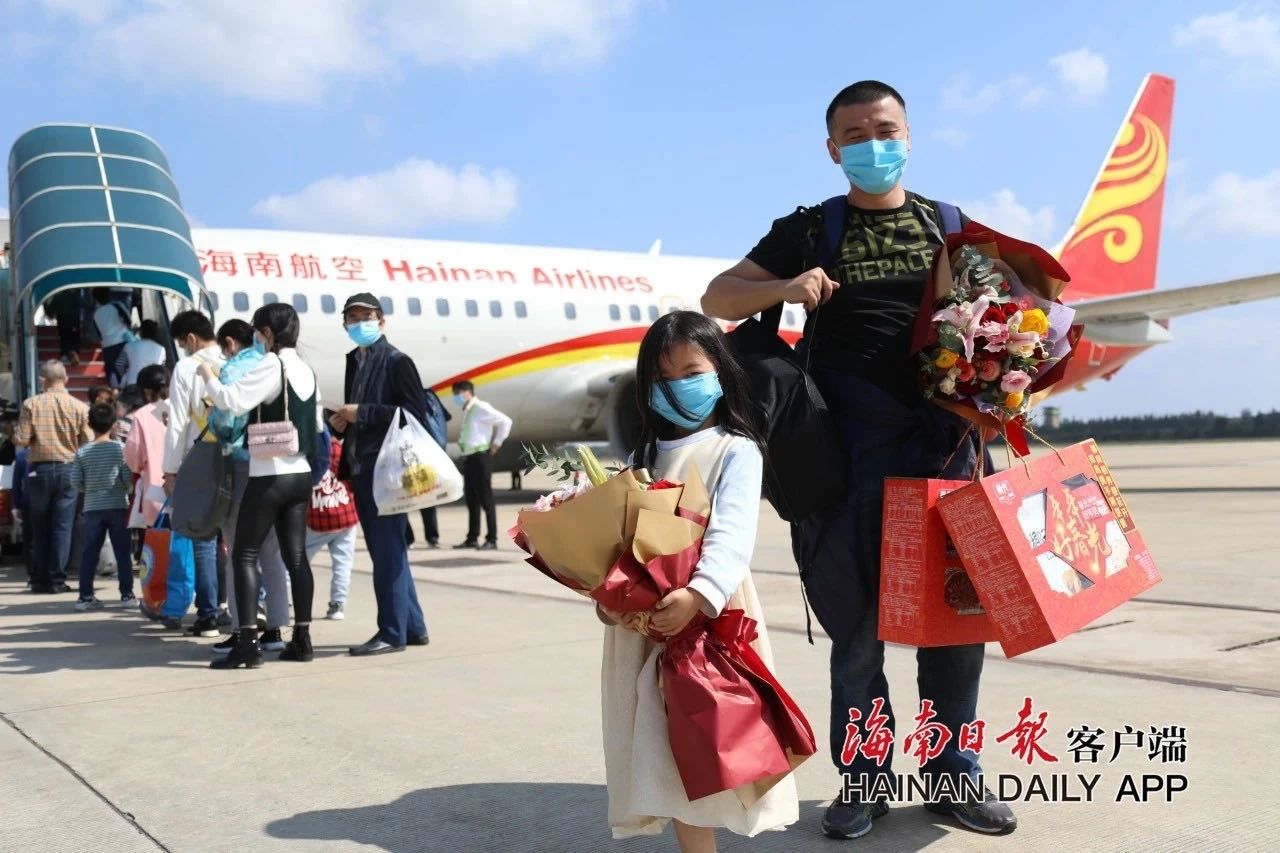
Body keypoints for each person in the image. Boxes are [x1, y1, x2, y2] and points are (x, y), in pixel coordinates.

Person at [701, 80, 1012, 840]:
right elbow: (717, 298)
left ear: (908, 135)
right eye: (857, 135)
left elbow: (1003, 315)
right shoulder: (810, 228)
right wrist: (786, 285)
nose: (875, 144)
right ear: (833, 149)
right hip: (848, 458)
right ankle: (865, 780)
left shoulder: (950, 227)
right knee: (859, 629)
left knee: (955, 626)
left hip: (944, 450)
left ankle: (953, 774)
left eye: (886, 130)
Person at [600, 311, 796, 851]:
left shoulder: (736, 448)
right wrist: (607, 595)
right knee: (661, 748)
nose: (678, 387)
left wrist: (699, 594)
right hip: (644, 625)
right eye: (662, 379)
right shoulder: (641, 456)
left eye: (691, 373)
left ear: (721, 373)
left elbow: (732, 535)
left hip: (709, 620)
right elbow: (620, 539)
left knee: (708, 739)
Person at [197, 303, 323, 669]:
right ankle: (302, 640)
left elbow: (232, 401)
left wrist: (207, 375)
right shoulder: (305, 368)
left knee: (244, 554)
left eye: (257, 331)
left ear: (267, 332)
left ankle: (248, 645)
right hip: (300, 473)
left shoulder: (272, 364)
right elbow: (315, 424)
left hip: (270, 474)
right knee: (295, 558)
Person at [330, 292, 429, 656]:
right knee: (390, 551)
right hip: (363, 466)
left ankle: (391, 632)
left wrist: (364, 413)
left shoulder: (397, 361)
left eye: (366, 317)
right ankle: (412, 627)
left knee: (387, 553)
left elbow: (414, 414)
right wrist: (342, 422)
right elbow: (360, 414)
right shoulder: (355, 360)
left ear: (382, 321)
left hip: (387, 470)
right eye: (352, 318)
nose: (359, 324)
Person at [204, 318, 290, 657]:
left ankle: (243, 629)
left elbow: (226, 422)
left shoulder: (234, 369)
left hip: (240, 466)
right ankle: (276, 629)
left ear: (229, 343)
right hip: (272, 464)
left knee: (238, 552)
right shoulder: (273, 363)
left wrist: (211, 408)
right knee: (271, 552)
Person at [161, 311, 225, 637]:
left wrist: (170, 470)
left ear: (190, 339)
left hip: (199, 461)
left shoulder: (186, 367)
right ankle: (238, 608)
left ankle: (208, 614)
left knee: (203, 539)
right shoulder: (233, 361)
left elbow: (177, 423)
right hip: (235, 460)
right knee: (234, 539)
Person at [15, 360, 91, 593]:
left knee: (39, 528)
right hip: (68, 470)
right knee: (62, 527)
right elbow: (87, 440)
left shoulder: (30, 404)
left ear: (42, 380)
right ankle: (57, 580)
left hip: (39, 471)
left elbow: (22, 439)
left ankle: (39, 579)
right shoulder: (80, 406)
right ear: (65, 379)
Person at [72, 403, 136, 610]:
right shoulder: (120, 449)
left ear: (89, 424)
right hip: (118, 505)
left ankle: (85, 596)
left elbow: (75, 482)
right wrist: (123, 488)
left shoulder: (82, 451)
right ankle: (127, 595)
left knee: (90, 553)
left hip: (92, 507)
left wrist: (89, 489)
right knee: (123, 552)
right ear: (114, 424)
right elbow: (127, 477)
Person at [450, 380, 511, 551]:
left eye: (457, 394)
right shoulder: (468, 410)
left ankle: (492, 539)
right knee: (472, 500)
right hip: (469, 458)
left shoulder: (481, 407)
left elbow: (506, 421)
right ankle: (472, 537)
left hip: (480, 457)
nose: (455, 398)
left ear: (466, 392)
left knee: (486, 500)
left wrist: (496, 444)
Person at [307, 435, 358, 620]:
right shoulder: (340, 448)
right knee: (343, 563)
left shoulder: (309, 447)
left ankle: (279, 597)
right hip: (345, 514)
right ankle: (337, 604)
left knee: (295, 561)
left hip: (317, 517)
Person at [125, 365, 170, 534]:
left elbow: (133, 455)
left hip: (156, 489)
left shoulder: (143, 415)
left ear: (146, 391)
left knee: (160, 540)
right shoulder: (183, 409)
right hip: (188, 488)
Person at [415, 387, 451, 548]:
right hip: (429, 456)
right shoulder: (430, 396)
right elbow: (446, 417)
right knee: (428, 500)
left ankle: (408, 538)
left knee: (399, 498)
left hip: (414, 457)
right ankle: (432, 537)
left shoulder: (407, 399)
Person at [92, 288, 134, 387]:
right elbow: (129, 320)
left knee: (111, 373)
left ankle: (113, 391)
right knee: (124, 370)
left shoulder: (96, 314)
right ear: (109, 295)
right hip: (122, 342)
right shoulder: (117, 305)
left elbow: (98, 333)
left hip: (107, 346)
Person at [117, 319, 167, 386]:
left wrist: (126, 377)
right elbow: (161, 370)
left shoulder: (129, 346)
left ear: (141, 332)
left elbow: (119, 365)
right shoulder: (161, 349)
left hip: (133, 383)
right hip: (152, 385)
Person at [47, 289, 84, 366]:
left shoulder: (58, 297)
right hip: (74, 322)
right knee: (74, 338)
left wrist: (47, 308)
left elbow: (50, 311)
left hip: (62, 322)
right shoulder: (75, 296)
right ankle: (74, 352)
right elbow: (85, 305)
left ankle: (65, 354)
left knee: (64, 338)